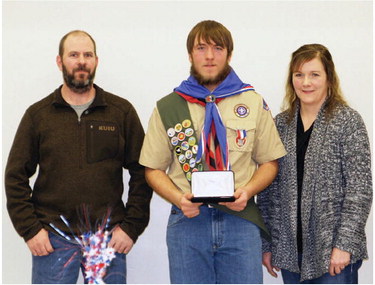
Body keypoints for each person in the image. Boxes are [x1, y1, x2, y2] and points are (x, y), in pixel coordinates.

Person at [140, 20, 286, 284]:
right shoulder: (168, 107)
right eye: (201, 48)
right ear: (190, 54)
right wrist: (178, 198)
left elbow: (270, 163)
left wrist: (248, 192)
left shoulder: (252, 102)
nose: (209, 56)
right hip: (188, 221)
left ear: (229, 54)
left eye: (218, 48)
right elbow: (152, 169)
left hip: (240, 220)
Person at [5, 30, 153, 284]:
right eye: (73, 55)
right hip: (51, 240)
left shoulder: (121, 112)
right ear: (60, 61)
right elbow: (15, 176)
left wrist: (131, 227)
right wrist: (30, 230)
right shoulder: (38, 115)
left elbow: (143, 171)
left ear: (96, 61)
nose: (81, 61)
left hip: (105, 240)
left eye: (88, 55)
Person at [258, 44, 372, 284]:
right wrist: (267, 243)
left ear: (329, 78)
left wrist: (344, 244)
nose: (306, 82)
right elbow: (267, 191)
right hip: (291, 253)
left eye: (314, 74)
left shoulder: (347, 122)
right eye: (299, 75)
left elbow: (359, 190)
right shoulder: (280, 125)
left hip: (333, 254)